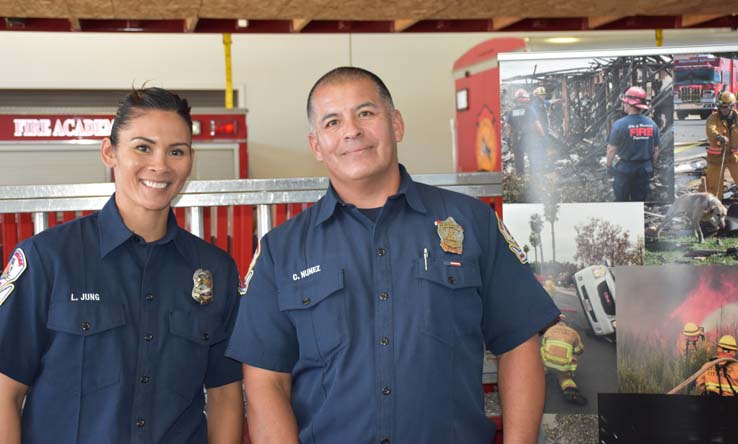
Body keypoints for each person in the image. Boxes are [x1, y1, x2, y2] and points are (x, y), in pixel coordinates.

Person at [227, 67, 560, 444]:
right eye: (333, 122)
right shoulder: (281, 250)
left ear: (396, 124)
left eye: (365, 113)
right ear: (317, 145)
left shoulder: (472, 223)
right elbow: (265, 381)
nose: (351, 131)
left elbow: (518, 343)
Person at [0, 88, 244, 443]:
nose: (160, 165)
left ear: (190, 160)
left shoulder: (215, 271)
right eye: (143, 147)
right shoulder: (47, 260)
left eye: (176, 151)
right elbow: (5, 391)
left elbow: (224, 395)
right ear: (109, 152)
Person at [606, 86, 661, 201]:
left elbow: (611, 149)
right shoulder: (652, 124)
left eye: (625, 103)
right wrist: (651, 166)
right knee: (639, 201)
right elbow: (656, 150)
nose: (623, 105)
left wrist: (609, 165)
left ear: (629, 104)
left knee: (622, 201)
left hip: (625, 169)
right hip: (644, 168)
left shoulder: (619, 124)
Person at [540, 315, 587, 406]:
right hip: (563, 366)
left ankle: (542, 372)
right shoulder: (574, 333)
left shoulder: (549, 330)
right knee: (564, 377)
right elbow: (579, 351)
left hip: (546, 362)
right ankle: (570, 389)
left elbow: (544, 344)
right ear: (566, 324)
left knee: (542, 349)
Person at [705, 91, 738, 200]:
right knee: (714, 187)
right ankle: (714, 209)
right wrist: (718, 137)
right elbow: (710, 129)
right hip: (717, 158)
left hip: (734, 158)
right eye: (721, 107)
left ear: (732, 106)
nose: (723, 109)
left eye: (726, 107)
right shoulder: (713, 117)